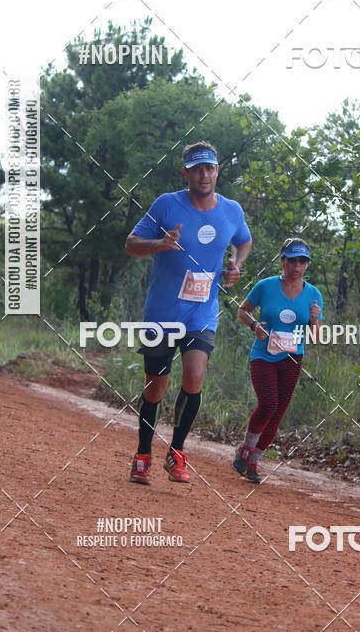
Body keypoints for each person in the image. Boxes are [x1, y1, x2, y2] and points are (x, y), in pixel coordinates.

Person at [125, 141, 252, 484]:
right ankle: (142, 454)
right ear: (186, 173)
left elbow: (244, 240)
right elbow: (131, 243)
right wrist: (160, 244)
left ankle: (177, 452)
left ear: (217, 171)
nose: (204, 174)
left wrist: (236, 266)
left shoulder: (231, 211)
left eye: (209, 167)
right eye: (196, 169)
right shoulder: (167, 205)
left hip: (202, 313)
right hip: (162, 313)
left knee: (194, 377)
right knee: (156, 387)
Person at [233, 238, 323, 483]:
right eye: (292, 260)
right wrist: (254, 325)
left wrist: (314, 320)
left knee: (278, 412)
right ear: (282, 261)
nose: (297, 266)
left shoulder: (314, 294)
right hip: (264, 355)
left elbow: (314, 338)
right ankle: (245, 448)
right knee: (269, 404)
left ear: (307, 264)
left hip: (292, 359)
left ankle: (253, 460)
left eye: (302, 261)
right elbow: (243, 310)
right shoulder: (266, 286)